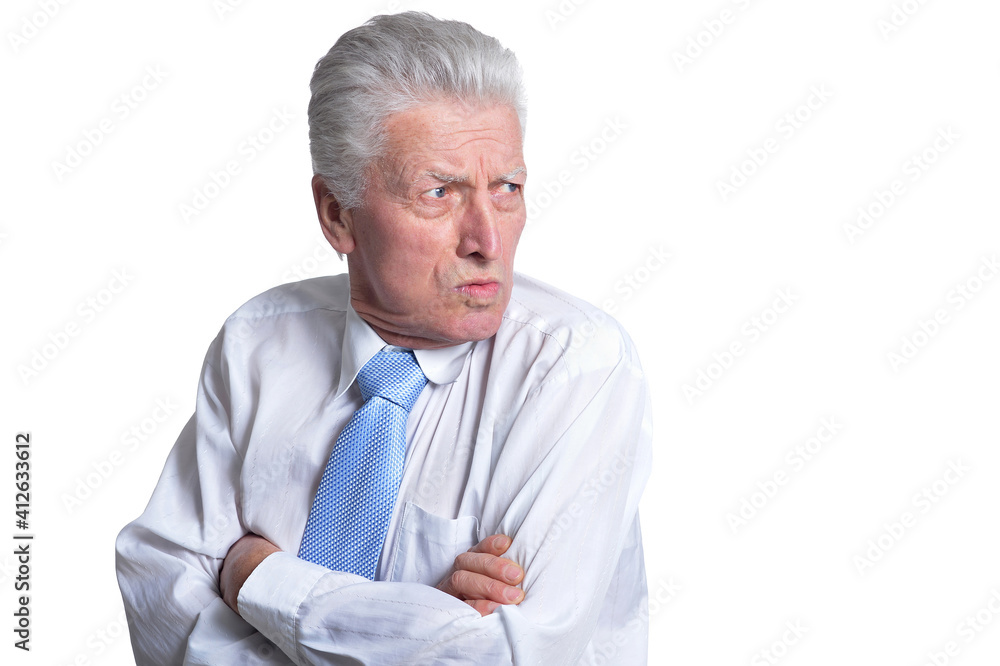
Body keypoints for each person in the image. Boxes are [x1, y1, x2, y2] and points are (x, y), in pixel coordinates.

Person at [116, 11, 652, 665]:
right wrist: (419, 615)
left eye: (507, 188)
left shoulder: (573, 367)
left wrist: (253, 577)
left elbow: (508, 654)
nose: (487, 239)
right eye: (439, 192)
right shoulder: (257, 346)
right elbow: (160, 595)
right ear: (337, 215)